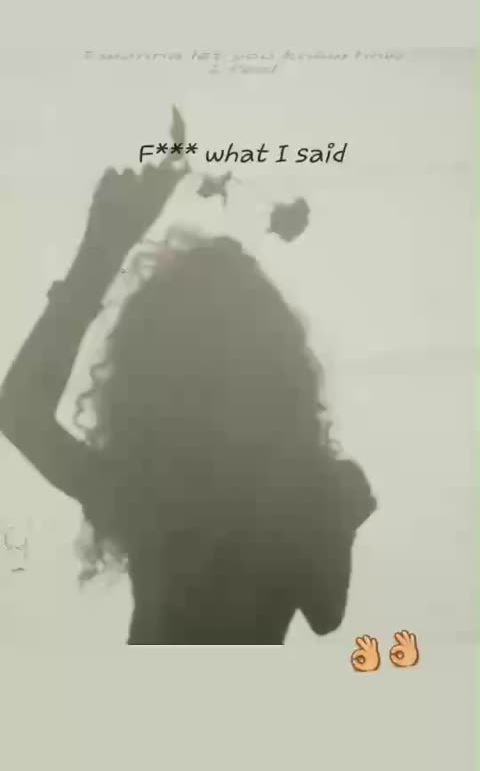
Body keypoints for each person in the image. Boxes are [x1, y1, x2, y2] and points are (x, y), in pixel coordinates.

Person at [0, 132, 376, 645]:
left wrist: (101, 250)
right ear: (279, 367)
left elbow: (19, 409)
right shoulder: (310, 490)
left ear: (150, 372)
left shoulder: (148, 489)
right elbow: (326, 613)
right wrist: (341, 517)